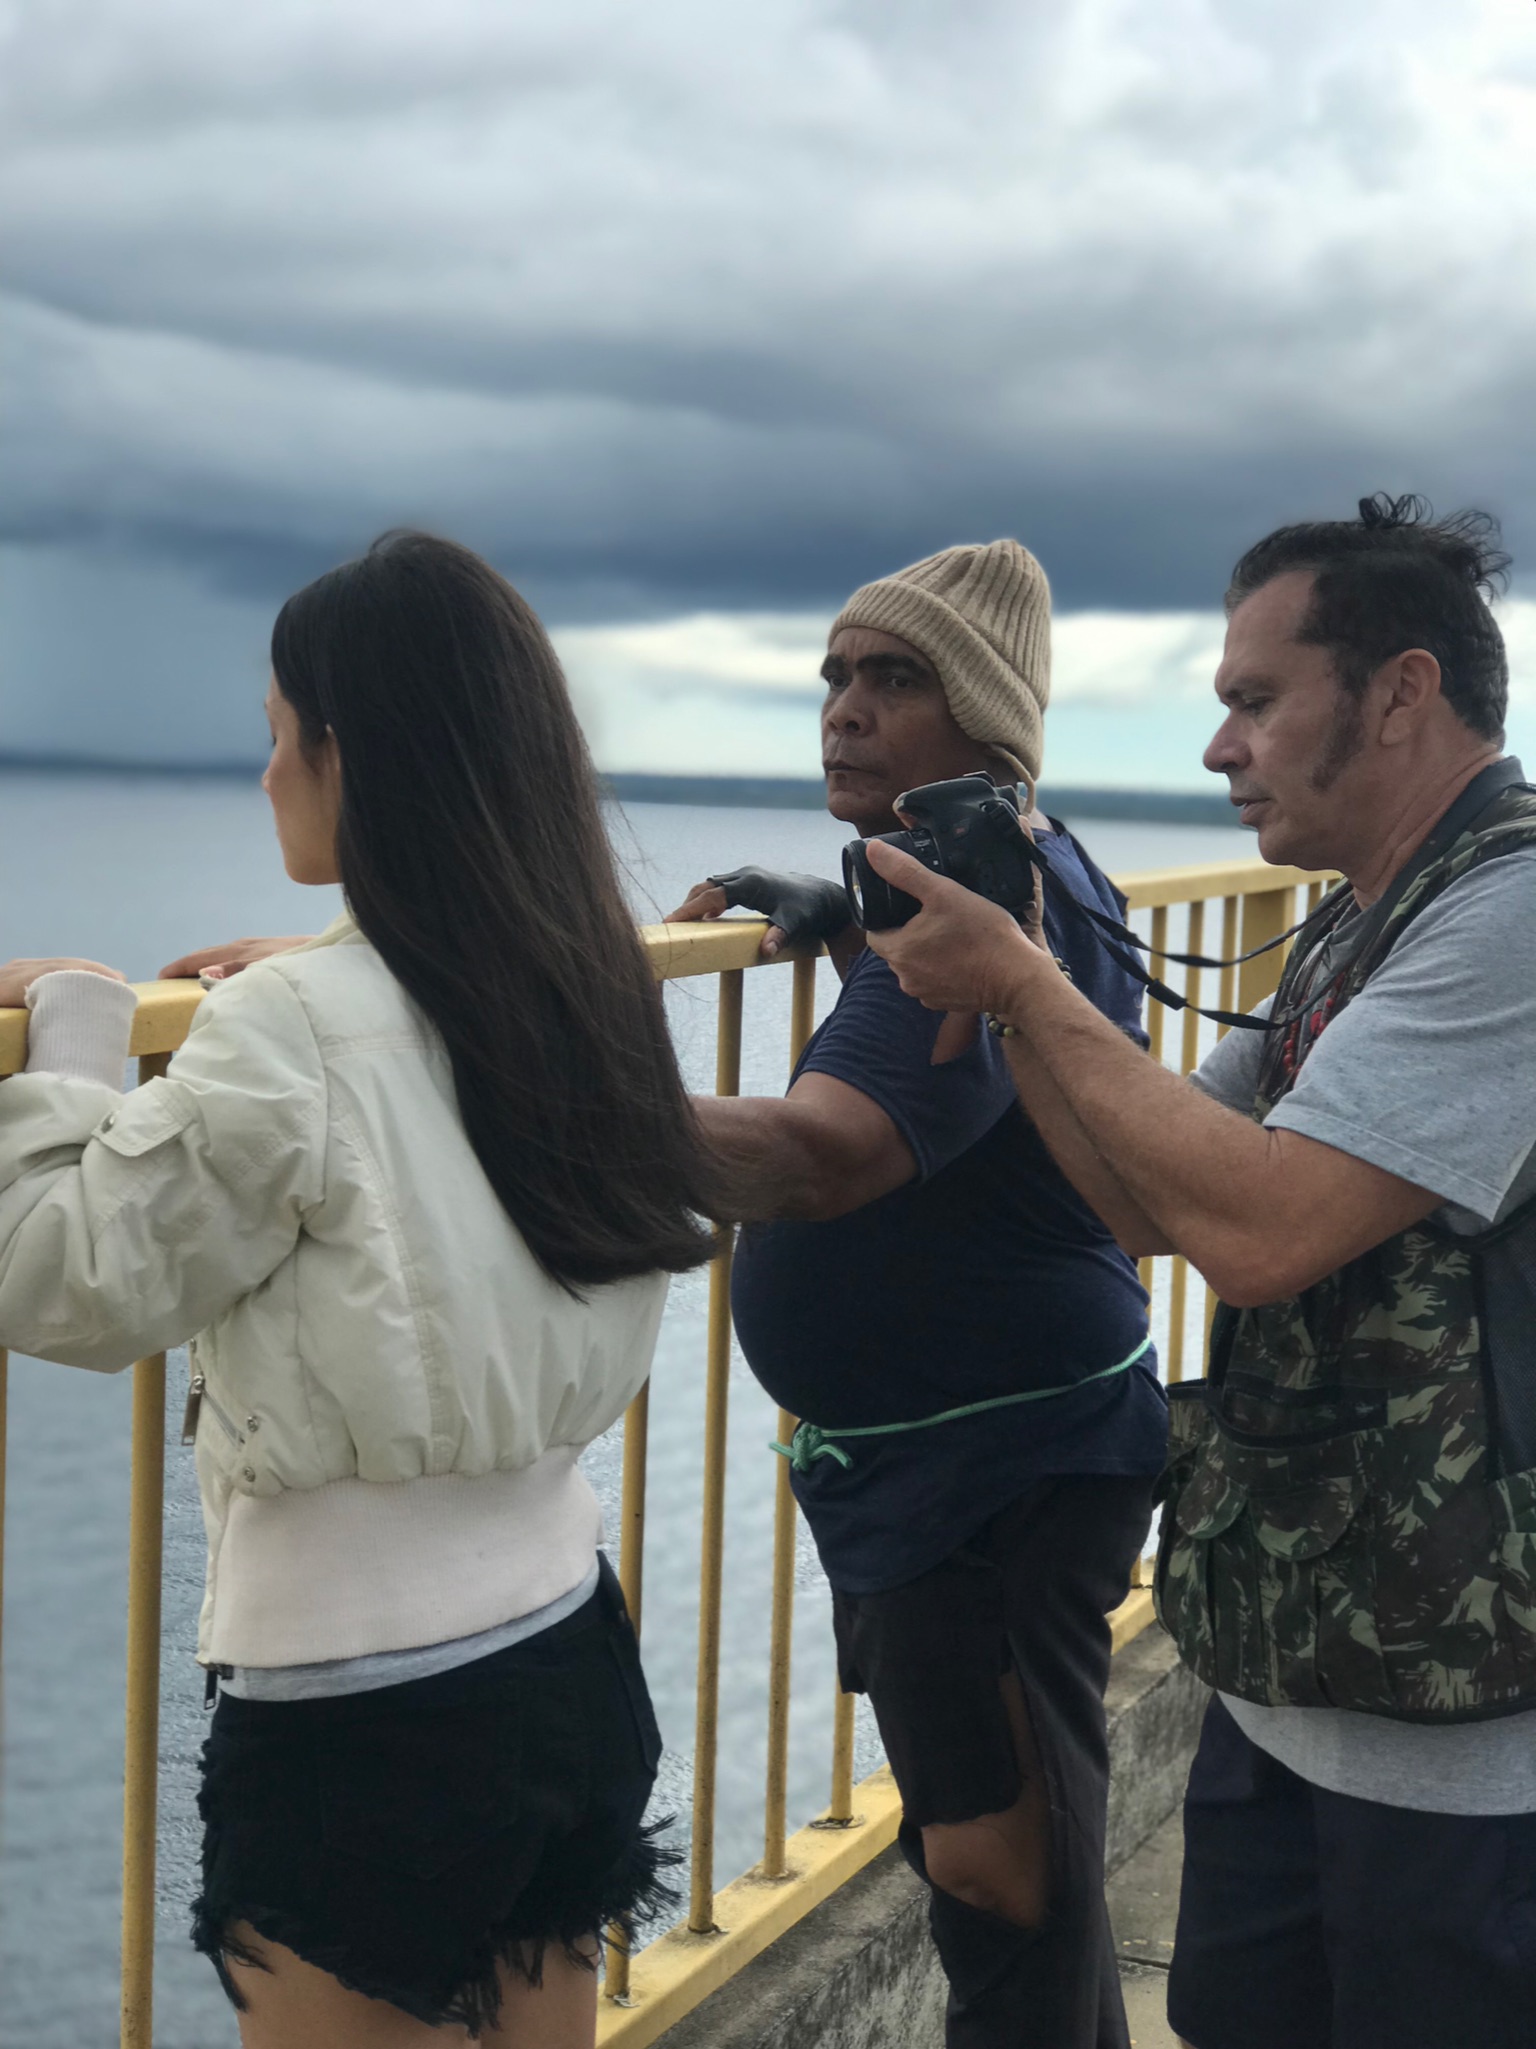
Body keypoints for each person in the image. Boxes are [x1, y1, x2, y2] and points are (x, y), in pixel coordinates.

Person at [0, 532, 718, 2048]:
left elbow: (64, 1280)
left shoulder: (297, 1026)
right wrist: (334, 968)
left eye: (278, 737)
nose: (264, 774)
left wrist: (74, 1031)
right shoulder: (581, 987)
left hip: (361, 1714)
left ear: (353, 752)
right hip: (564, 1645)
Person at [857, 496, 1536, 2049]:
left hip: (1466, 1749)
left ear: (1402, 693)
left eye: (1252, 701)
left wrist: (1028, 975)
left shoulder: (1513, 915)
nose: (1219, 751)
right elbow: (1146, 1203)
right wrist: (1017, 989)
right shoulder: (1355, 928)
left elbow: (1264, 1229)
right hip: (1302, 1684)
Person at [667, 540, 1169, 2049]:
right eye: (834, 677)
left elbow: (829, 1156)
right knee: (1021, 1864)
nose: (844, 709)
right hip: (968, 1462)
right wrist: (837, 909)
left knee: (999, 1877)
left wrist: (533, 1071)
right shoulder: (988, 871)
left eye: (897, 680)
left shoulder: (974, 910)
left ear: (992, 722)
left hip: (983, 1475)